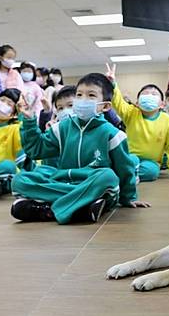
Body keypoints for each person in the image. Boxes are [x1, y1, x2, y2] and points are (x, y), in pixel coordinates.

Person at [11, 73, 150, 224]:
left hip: (93, 182)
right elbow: (36, 150)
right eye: (79, 95)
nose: (82, 99)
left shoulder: (113, 134)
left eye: (91, 95)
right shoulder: (61, 128)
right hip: (64, 181)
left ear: (105, 106)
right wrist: (30, 121)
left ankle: (48, 208)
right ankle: (81, 206)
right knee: (19, 180)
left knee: (108, 176)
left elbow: (125, 170)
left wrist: (128, 198)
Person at [107, 64, 169, 182]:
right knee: (132, 161)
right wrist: (113, 84)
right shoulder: (131, 113)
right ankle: (129, 174)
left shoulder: (167, 120)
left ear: (162, 104)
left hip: (151, 162)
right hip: (131, 156)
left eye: (154, 94)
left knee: (152, 172)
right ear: (137, 102)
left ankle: (126, 175)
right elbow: (118, 103)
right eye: (145, 94)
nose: (149, 96)